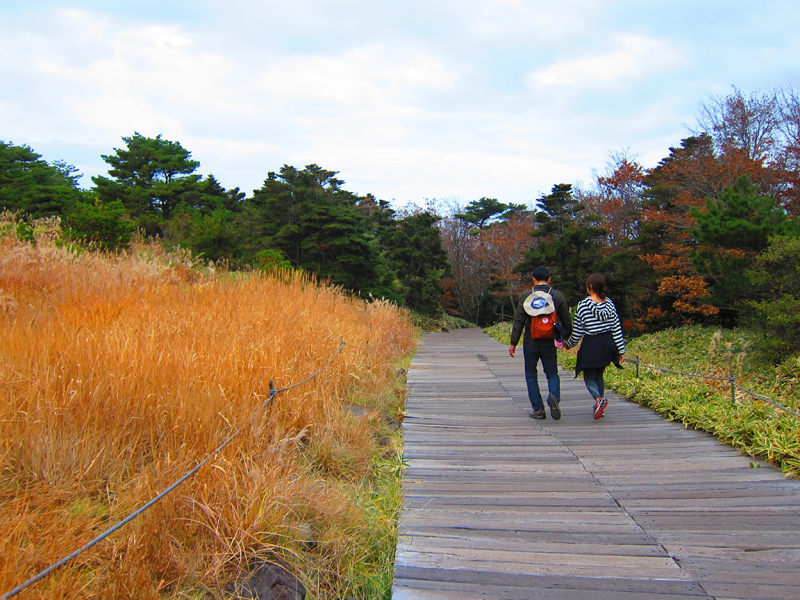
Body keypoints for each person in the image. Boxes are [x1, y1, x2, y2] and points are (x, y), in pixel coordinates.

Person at [509, 266, 572, 420]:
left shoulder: (526, 296)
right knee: (552, 373)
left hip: (531, 341)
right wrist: (564, 338)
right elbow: (566, 322)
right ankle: (554, 396)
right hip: (550, 341)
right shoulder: (557, 296)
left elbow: (519, 321)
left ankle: (538, 409)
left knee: (531, 375)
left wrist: (513, 343)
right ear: (549, 279)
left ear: (534, 279)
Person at [565, 273, 626, 420]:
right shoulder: (610, 304)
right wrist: (621, 350)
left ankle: (599, 400)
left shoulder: (583, 305)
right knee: (599, 375)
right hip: (607, 343)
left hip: (591, 344)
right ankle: (600, 407)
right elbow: (616, 328)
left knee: (588, 377)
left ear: (590, 287)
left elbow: (578, 331)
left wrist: (569, 344)